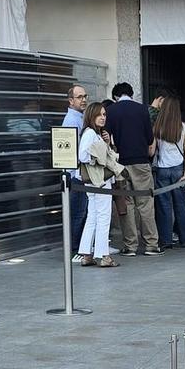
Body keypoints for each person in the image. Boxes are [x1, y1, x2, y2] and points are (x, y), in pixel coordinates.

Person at [104, 81, 160, 257]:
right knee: (145, 204)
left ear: (115, 96)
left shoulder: (111, 111)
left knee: (126, 204)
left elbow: (106, 136)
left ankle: (130, 246)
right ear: (131, 94)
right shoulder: (143, 110)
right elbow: (150, 137)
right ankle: (151, 244)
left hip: (120, 163)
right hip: (141, 162)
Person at [74, 100, 122, 268]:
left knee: (93, 216)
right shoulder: (90, 133)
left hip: (93, 182)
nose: (103, 117)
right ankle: (104, 256)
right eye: (99, 115)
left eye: (104, 114)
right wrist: (99, 155)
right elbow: (83, 156)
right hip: (99, 181)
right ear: (91, 116)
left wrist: (105, 144)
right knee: (102, 217)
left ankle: (86, 253)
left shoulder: (92, 133)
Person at [152, 94, 185, 249]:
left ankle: (166, 240)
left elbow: (153, 150)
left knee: (164, 207)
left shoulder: (157, 127)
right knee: (181, 205)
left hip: (162, 169)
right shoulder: (183, 127)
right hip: (178, 169)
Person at [61, 82, 91, 253]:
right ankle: (75, 249)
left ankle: (79, 247)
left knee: (81, 213)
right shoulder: (72, 120)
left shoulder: (79, 118)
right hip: (76, 175)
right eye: (80, 97)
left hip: (78, 174)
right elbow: (74, 151)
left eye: (85, 96)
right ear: (70, 101)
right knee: (78, 214)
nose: (84, 99)